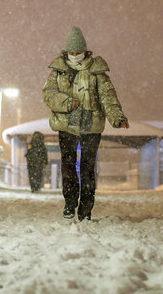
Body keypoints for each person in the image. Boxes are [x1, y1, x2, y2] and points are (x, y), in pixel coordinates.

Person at [41, 26, 128, 221]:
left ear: (85, 51)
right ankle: (70, 204)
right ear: (66, 52)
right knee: (68, 166)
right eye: (71, 53)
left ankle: (86, 209)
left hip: (91, 126)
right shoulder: (58, 72)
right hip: (66, 126)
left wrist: (117, 117)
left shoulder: (97, 71)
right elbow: (48, 94)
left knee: (88, 168)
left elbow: (108, 96)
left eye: (78, 52)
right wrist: (66, 103)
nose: (74, 56)